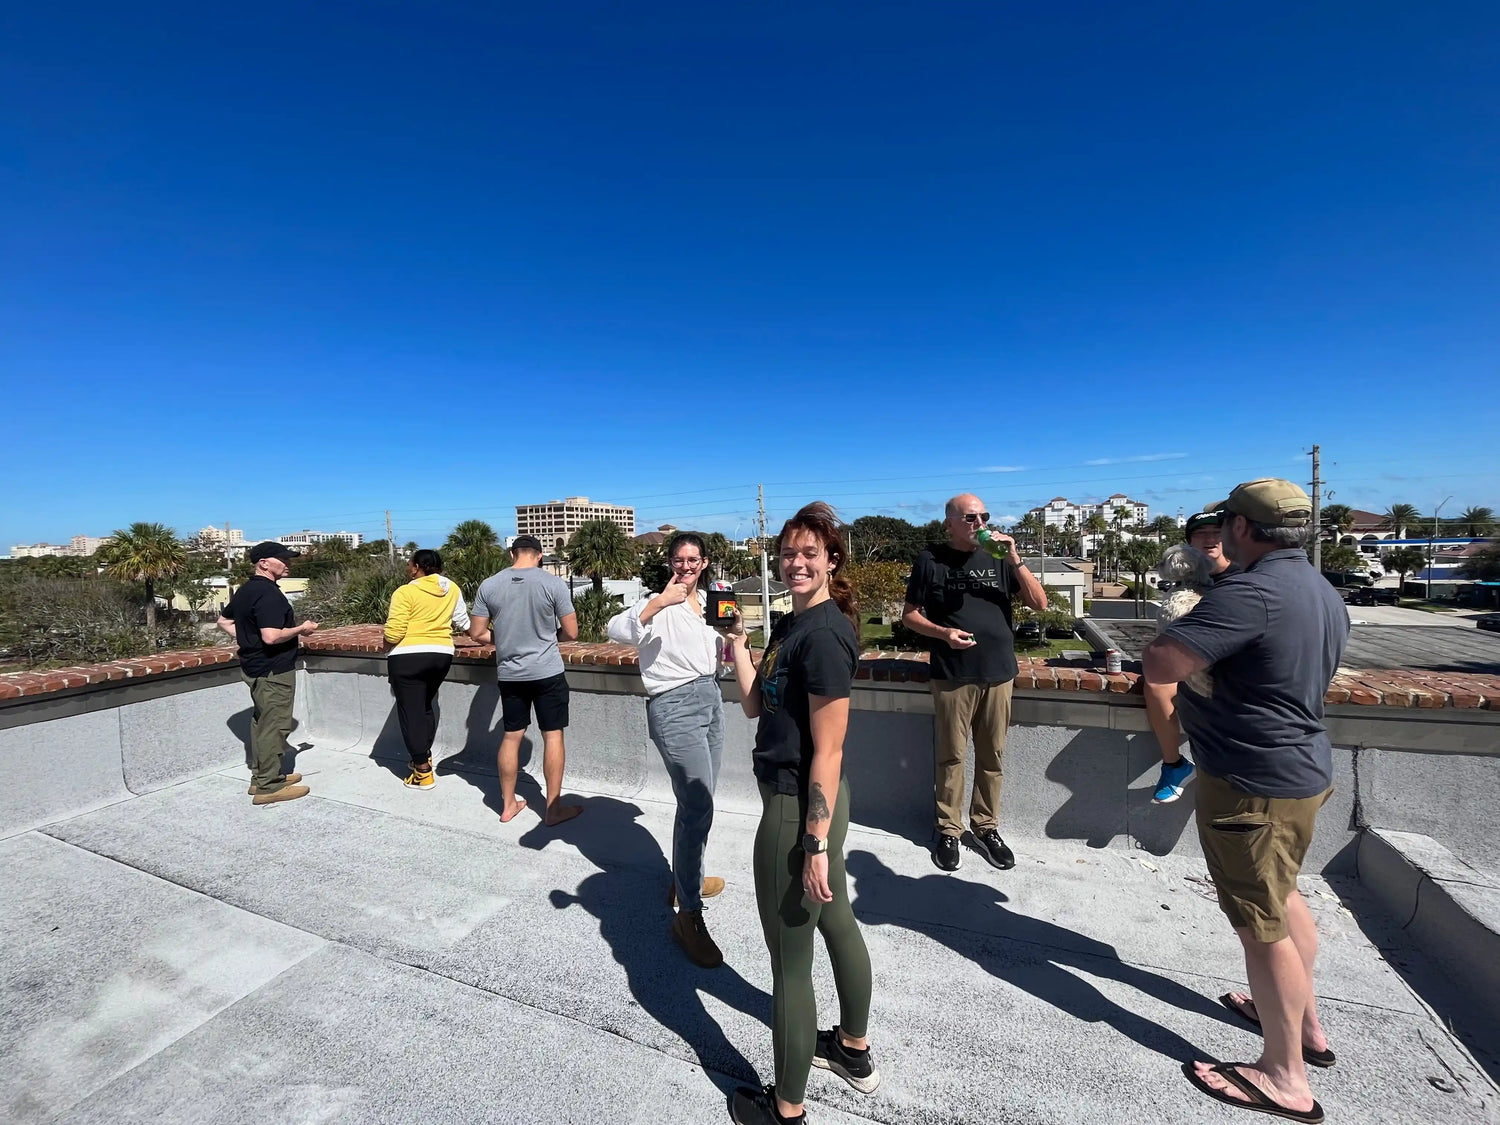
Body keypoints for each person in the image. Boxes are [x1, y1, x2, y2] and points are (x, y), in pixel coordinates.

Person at [1142, 478, 1348, 1124]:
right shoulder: (1318, 588)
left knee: (1260, 928)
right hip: (1301, 770)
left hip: (1251, 783)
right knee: (1282, 897)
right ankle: (1303, 1022)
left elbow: (1161, 662)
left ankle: (1284, 1075)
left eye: (1227, 521)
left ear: (1242, 527)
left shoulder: (1250, 593)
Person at [727, 502, 878, 1125]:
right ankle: (851, 1049)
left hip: (798, 809)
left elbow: (830, 749)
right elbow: (753, 707)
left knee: (790, 963)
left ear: (831, 560)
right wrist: (739, 648)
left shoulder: (823, 636)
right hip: (811, 805)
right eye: (788, 552)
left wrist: (812, 843)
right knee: (835, 918)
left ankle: (786, 1109)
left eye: (809, 553)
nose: (796, 562)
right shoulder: (793, 624)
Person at [901, 493, 1049, 871]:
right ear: (949, 523)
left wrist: (1015, 558)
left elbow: (1040, 603)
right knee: (951, 756)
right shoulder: (930, 560)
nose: (980, 524)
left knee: (991, 756)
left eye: (984, 516)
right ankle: (949, 830)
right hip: (953, 674)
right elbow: (910, 616)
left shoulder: (999, 557)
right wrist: (943, 633)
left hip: (998, 673)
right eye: (970, 518)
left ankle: (986, 828)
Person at [607, 532, 729, 968]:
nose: (686, 566)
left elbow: (716, 649)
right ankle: (688, 916)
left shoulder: (710, 602)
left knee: (701, 801)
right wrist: (659, 602)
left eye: (694, 559)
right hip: (675, 705)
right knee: (697, 804)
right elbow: (616, 630)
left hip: (711, 698)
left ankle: (686, 878)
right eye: (679, 559)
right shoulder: (655, 603)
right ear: (670, 563)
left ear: (704, 562)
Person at [468, 535, 583, 826]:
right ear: (540, 555)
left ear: (512, 554)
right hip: (547, 672)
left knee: (511, 736)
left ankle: (508, 805)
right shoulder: (553, 584)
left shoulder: (489, 585)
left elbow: (477, 633)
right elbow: (571, 632)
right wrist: (547, 638)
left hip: (511, 674)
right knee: (553, 735)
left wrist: (507, 639)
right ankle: (553, 810)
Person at [1143, 507, 1241, 803]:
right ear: (1189, 543)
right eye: (1201, 534)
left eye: (1216, 533)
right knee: (1156, 684)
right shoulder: (1183, 584)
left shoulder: (1243, 577)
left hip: (1233, 666)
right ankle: (1174, 764)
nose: (1209, 539)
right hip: (1193, 663)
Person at [217, 542, 319, 806]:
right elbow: (272, 637)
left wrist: (247, 640)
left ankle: (262, 777)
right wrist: (302, 629)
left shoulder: (247, 590)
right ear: (263, 563)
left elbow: (224, 621)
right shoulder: (269, 594)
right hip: (273, 669)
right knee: (274, 726)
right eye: (282, 559)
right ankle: (269, 787)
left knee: (262, 724)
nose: (288, 564)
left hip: (254, 667)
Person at [383, 548, 471, 790]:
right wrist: (489, 637)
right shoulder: (452, 588)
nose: (408, 568)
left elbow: (395, 631)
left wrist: (385, 643)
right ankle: (423, 756)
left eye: (409, 564)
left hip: (408, 657)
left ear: (416, 568)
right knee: (425, 706)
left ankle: (422, 771)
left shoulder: (405, 591)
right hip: (441, 655)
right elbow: (464, 622)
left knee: (411, 713)